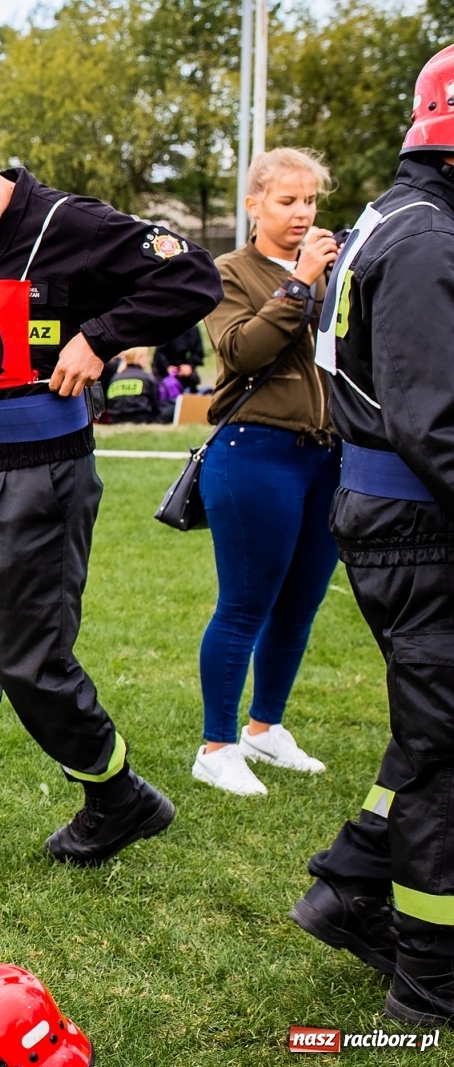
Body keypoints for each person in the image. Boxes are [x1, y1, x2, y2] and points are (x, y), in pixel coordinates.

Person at [0, 129, 220, 866]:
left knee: (26, 654)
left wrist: (101, 337)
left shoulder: (73, 223)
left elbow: (195, 277)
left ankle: (117, 794)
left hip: (46, 469)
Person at [292, 45, 454, 1024]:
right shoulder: (430, 241)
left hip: (390, 512)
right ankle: (430, 977)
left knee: (430, 731)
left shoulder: (390, 222)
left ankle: (349, 882)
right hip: (417, 523)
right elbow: (434, 422)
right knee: (446, 760)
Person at [193, 148, 341, 795]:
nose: (301, 214)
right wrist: (300, 283)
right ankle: (217, 744)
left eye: (309, 202)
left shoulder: (337, 271)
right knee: (245, 603)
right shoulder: (228, 271)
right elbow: (240, 348)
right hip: (254, 452)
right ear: (253, 204)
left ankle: (265, 728)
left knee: (301, 602)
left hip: (327, 455)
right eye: (287, 201)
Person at [103, 347, 165, 424]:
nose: (147, 359)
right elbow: (156, 406)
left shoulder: (115, 378)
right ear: (138, 358)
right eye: (145, 357)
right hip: (141, 418)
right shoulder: (146, 378)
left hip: (116, 419)